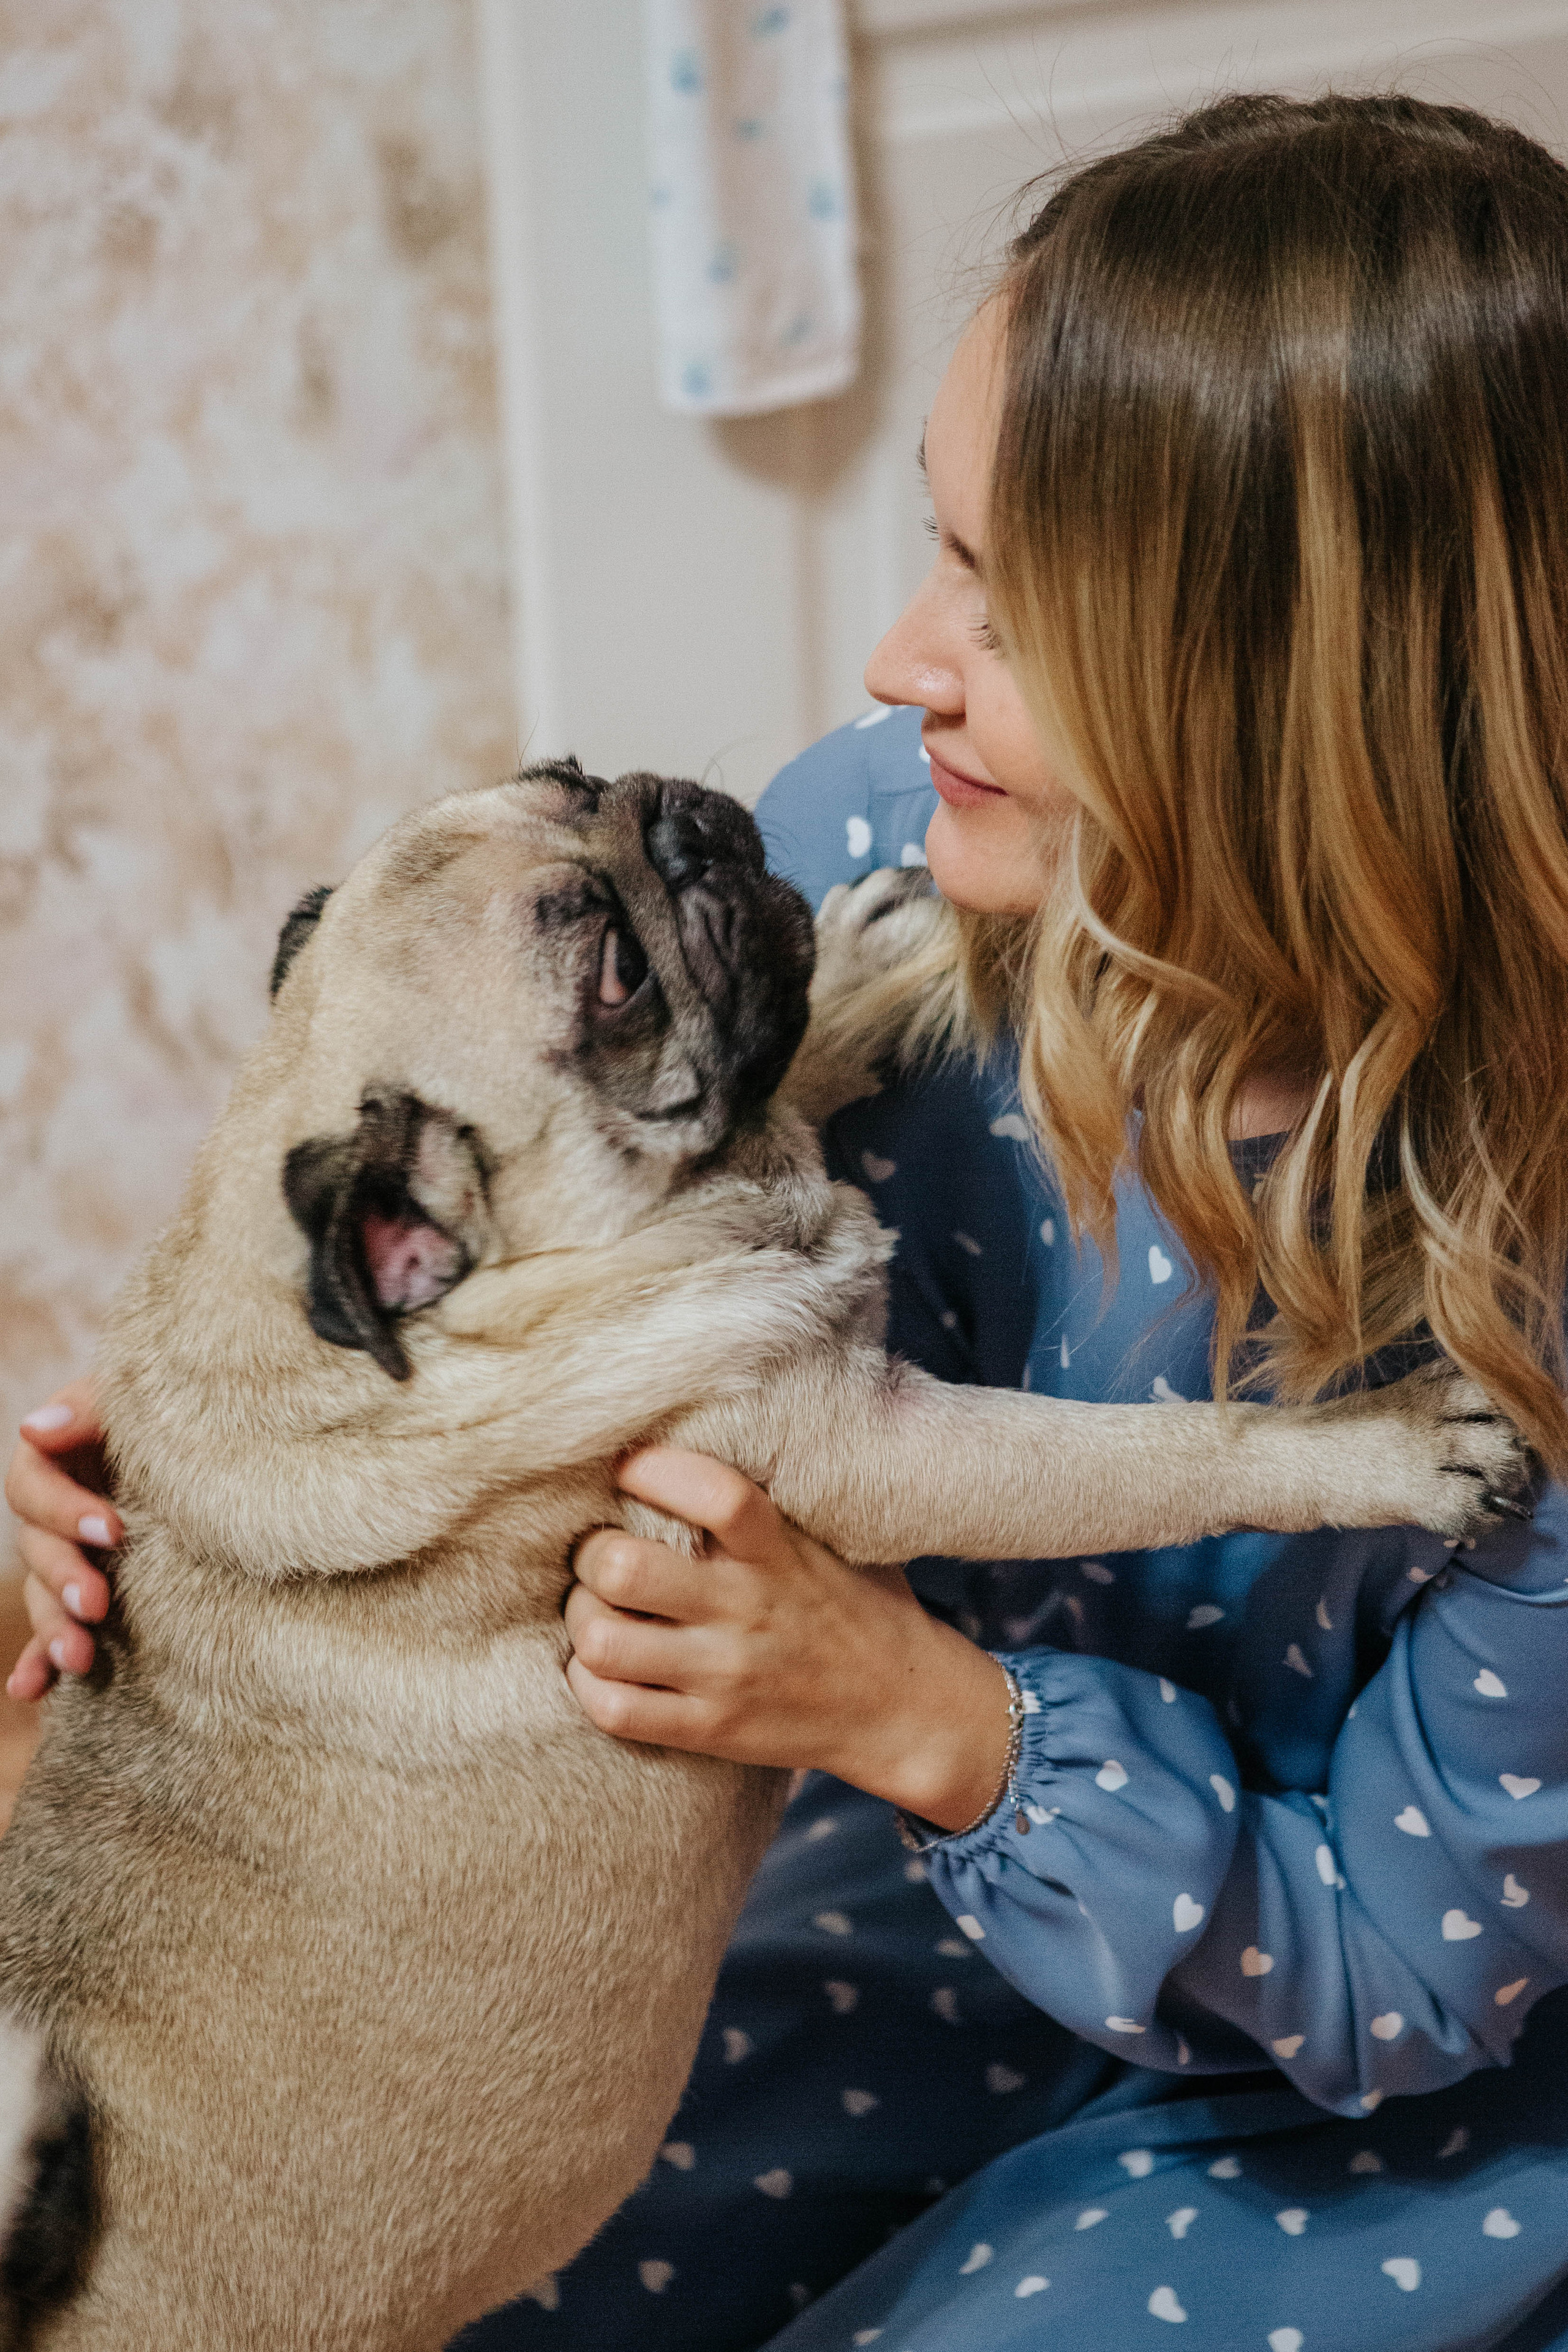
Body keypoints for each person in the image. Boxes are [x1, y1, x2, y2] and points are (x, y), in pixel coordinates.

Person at [10, 90, 1568, 2352]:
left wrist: (935, 1716)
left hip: (1350, 2057)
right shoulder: (897, 853)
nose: (894, 666)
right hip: (920, 1895)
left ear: (1297, 717)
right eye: (938, 550)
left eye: (1007, 617)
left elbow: (1409, 1965)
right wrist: (189, 1504)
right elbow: (518, 1275)